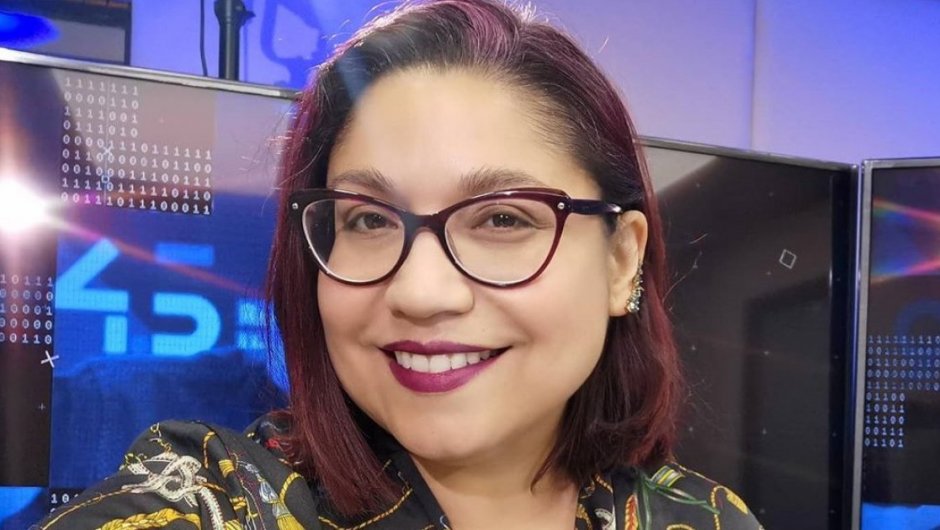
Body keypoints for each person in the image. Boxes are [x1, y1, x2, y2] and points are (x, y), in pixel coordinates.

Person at [34, 0, 764, 528]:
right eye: (369, 220)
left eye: (502, 218)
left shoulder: (701, 516)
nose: (420, 291)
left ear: (621, 260)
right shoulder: (218, 500)